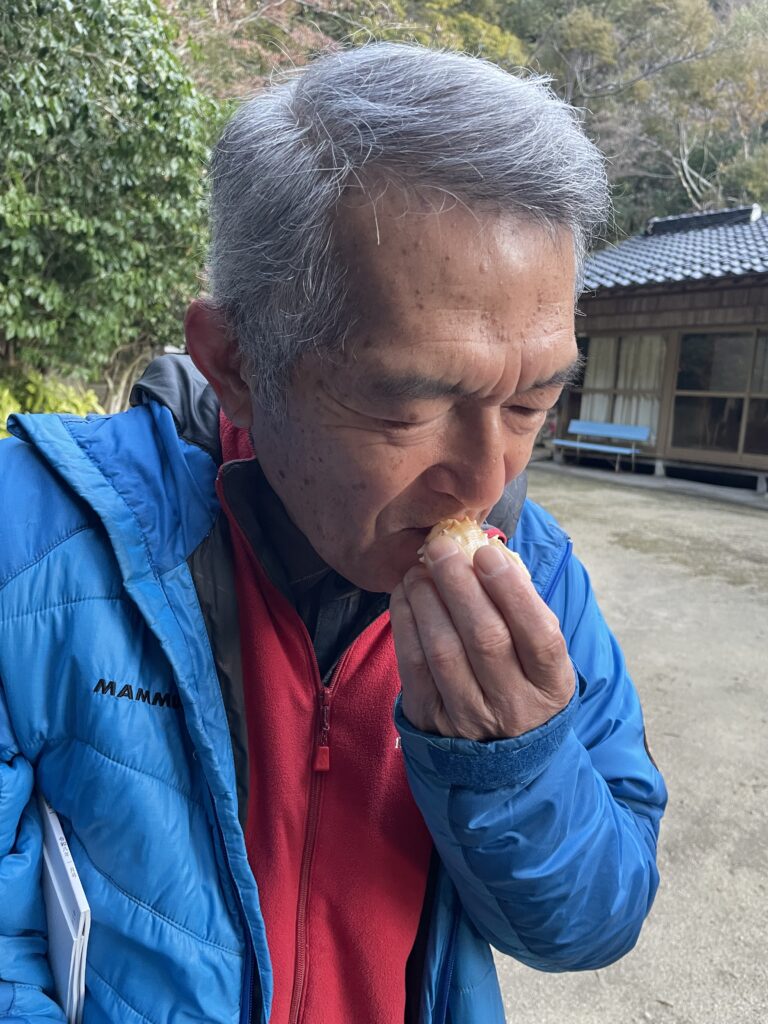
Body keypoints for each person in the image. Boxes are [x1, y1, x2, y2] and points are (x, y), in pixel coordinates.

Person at [0, 43, 667, 1024]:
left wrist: (518, 767)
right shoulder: (36, 537)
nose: (487, 481)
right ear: (235, 365)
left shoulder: (542, 578)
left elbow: (593, 924)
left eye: (532, 403)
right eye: (410, 407)